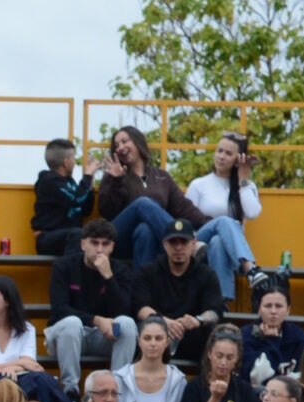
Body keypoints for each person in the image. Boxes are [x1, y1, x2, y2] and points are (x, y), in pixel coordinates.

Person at [46, 220, 137, 394]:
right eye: (94, 243)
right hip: (66, 336)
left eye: (105, 244)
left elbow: (124, 311)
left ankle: (116, 390)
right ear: (83, 244)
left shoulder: (120, 270)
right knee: (71, 323)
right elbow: (59, 309)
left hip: (102, 337)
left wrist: (108, 277)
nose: (99, 249)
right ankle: (71, 391)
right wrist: (96, 320)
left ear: (112, 247)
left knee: (127, 324)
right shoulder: (64, 266)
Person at [0, 276, 69, 402]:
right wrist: (16, 365)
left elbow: (31, 365)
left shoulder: (27, 329)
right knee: (19, 386)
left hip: (18, 384)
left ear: (7, 301)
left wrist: (13, 369)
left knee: (38, 381)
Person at [180, 133, 261, 297]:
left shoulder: (247, 185)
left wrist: (243, 181)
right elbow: (185, 221)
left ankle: (220, 302)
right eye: (219, 151)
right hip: (198, 245)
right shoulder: (199, 184)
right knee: (224, 221)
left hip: (227, 250)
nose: (221, 156)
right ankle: (249, 268)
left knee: (218, 241)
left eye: (228, 153)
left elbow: (252, 213)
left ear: (238, 160)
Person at [133, 220, 223, 365]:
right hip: (157, 334)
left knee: (214, 331)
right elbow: (140, 307)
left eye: (184, 242)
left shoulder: (207, 275)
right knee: (140, 329)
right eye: (173, 242)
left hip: (190, 336)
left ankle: (207, 379)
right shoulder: (148, 272)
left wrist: (198, 320)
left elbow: (214, 311)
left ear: (193, 243)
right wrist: (163, 322)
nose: (178, 247)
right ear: (165, 245)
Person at [93, 125, 185, 266]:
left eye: (124, 141)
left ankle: (142, 281)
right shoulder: (112, 175)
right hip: (117, 239)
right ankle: (181, 242)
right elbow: (107, 212)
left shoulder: (162, 176)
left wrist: (206, 223)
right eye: (116, 146)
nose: (120, 147)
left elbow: (183, 208)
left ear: (138, 142)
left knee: (144, 230)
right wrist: (117, 181)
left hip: (148, 239)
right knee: (143, 203)